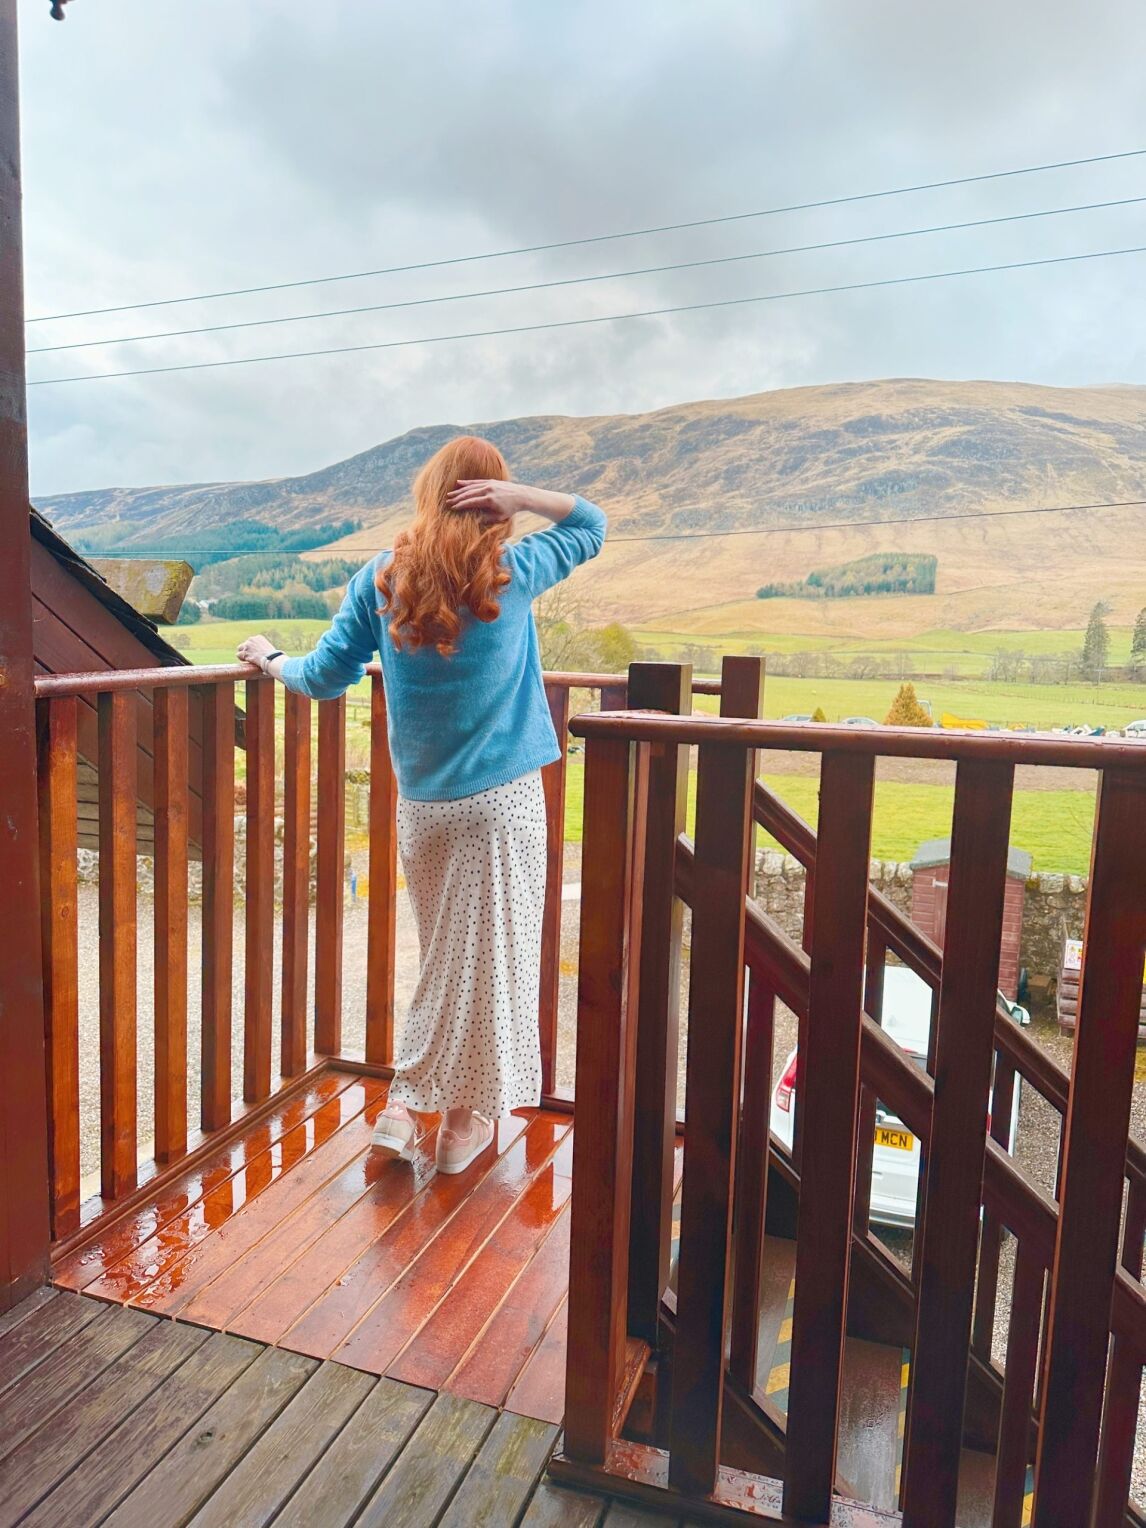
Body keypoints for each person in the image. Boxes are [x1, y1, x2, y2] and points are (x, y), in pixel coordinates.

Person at [237, 435, 607, 1174]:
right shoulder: (513, 569)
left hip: (426, 809)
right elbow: (591, 525)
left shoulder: (381, 579)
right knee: (485, 965)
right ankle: (431, 1111)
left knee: (449, 959)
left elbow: (320, 678)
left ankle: (428, 1116)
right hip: (503, 805)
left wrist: (269, 658)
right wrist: (527, 498)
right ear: (491, 502)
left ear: (428, 492)